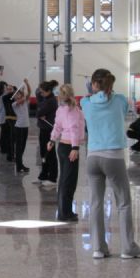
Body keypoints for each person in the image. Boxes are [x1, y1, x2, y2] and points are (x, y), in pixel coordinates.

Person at [80, 68, 140, 260]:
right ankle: (127, 248)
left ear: (93, 83)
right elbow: (120, 108)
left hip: (92, 157)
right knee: (123, 202)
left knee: (96, 202)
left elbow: (90, 98)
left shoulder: (85, 102)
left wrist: (92, 92)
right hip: (113, 156)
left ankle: (98, 248)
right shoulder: (120, 100)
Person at [47, 84, 85, 221]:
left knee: (64, 180)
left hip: (62, 146)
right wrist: (75, 148)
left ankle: (64, 211)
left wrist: (52, 140)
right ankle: (65, 214)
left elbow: (57, 126)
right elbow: (74, 129)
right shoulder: (73, 110)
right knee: (69, 182)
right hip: (70, 148)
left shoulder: (61, 109)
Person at [36, 80, 58, 185]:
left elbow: (39, 112)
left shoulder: (51, 101)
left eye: (42, 92)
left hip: (49, 130)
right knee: (43, 153)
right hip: (43, 129)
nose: (41, 94)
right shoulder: (46, 98)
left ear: (48, 91)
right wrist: (40, 111)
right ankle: (44, 174)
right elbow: (39, 110)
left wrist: (40, 112)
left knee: (50, 153)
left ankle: (52, 177)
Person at [12, 79, 32, 173]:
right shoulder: (14, 104)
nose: (18, 95)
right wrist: (23, 91)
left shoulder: (25, 102)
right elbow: (24, 98)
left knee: (23, 147)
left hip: (25, 127)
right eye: (17, 95)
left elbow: (29, 93)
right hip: (19, 127)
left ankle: (20, 165)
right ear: (15, 97)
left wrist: (27, 84)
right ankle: (19, 166)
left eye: (19, 94)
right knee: (19, 148)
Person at [1, 84, 17, 162]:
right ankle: (10, 155)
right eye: (8, 89)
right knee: (10, 138)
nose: (9, 90)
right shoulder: (5, 97)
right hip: (9, 119)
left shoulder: (15, 97)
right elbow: (9, 99)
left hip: (16, 120)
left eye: (10, 89)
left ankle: (12, 154)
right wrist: (14, 93)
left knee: (13, 139)